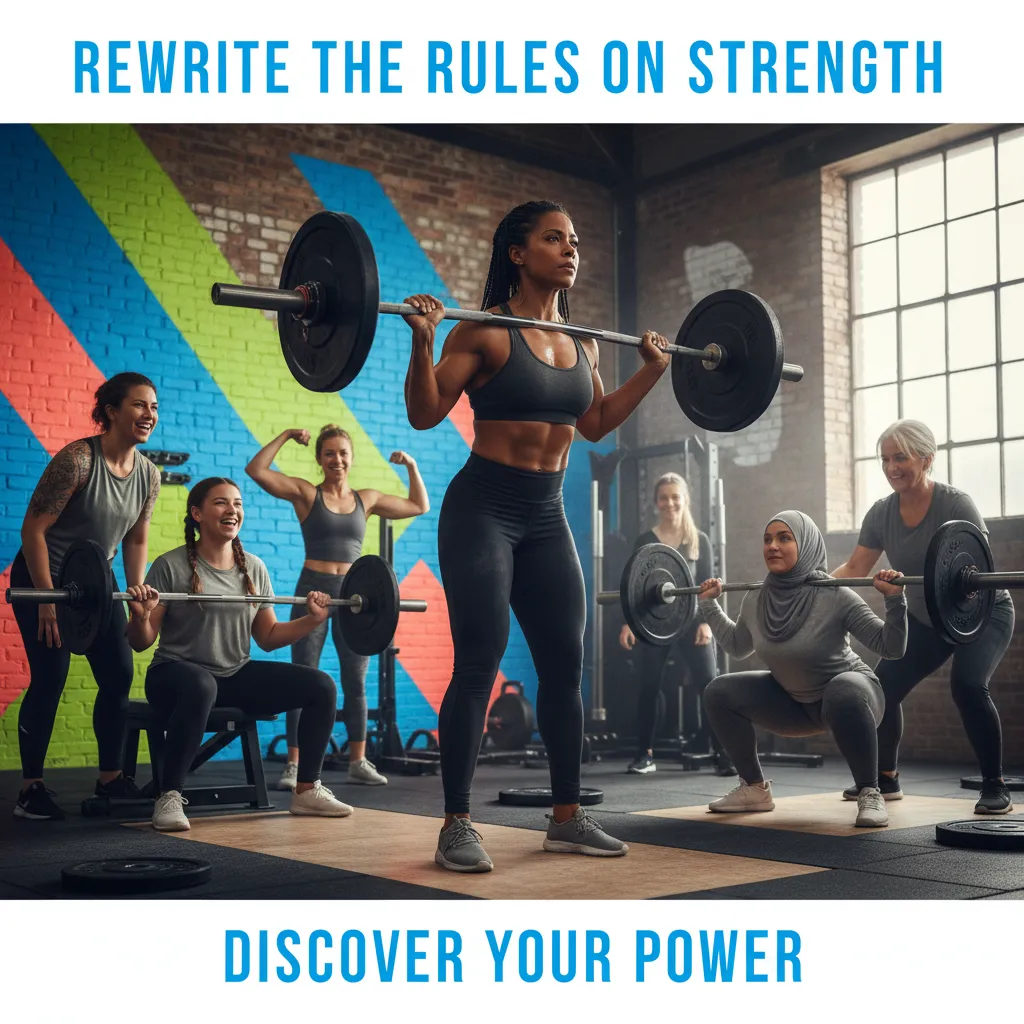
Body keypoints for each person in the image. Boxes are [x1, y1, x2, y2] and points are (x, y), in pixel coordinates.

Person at [403, 198, 673, 872]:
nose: (571, 248)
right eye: (555, 238)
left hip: (546, 516)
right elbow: (425, 412)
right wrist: (423, 340)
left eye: (574, 239)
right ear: (518, 254)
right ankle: (456, 824)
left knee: (564, 668)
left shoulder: (583, 343)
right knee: (480, 660)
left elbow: (595, 422)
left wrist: (652, 370)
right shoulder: (486, 333)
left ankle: (566, 817)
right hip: (483, 510)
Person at [125, 477, 352, 832]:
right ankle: (169, 795)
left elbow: (269, 636)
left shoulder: (253, 568)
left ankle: (307, 789)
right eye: (221, 502)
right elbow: (142, 642)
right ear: (197, 514)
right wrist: (140, 617)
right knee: (201, 685)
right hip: (174, 674)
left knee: (321, 686)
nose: (232, 510)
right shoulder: (170, 565)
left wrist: (313, 619)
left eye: (237, 504)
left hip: (232, 675)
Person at [832, 419, 1015, 814]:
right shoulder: (881, 513)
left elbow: (979, 566)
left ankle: (995, 785)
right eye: (885, 459)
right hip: (928, 618)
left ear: (927, 459)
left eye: (900, 457)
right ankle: (886, 778)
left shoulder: (956, 504)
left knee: (967, 686)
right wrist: (812, 582)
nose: (891, 467)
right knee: (880, 689)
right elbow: (855, 568)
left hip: (981, 611)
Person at [11, 372, 161, 821]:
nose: (149, 415)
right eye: (139, 405)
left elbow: (136, 537)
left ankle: (110, 778)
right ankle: (30, 790)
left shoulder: (149, 475)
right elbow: (33, 530)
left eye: (154, 407)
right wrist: (46, 599)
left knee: (118, 674)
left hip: (98, 583)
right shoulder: (77, 461)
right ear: (111, 411)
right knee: (51, 676)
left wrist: (135, 593)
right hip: (45, 576)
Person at [697, 511, 908, 828]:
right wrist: (708, 605)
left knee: (842, 689)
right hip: (795, 704)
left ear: (806, 544)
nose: (772, 546)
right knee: (718, 692)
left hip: (855, 698)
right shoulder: (756, 598)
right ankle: (754, 789)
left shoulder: (836, 594)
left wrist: (894, 601)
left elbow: (891, 648)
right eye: (768, 539)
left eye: (784, 538)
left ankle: (870, 791)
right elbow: (737, 646)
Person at [246, 426, 429, 790]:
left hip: (354, 594)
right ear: (319, 459)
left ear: (352, 457)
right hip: (312, 590)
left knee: (355, 681)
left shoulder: (367, 499)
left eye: (343, 453)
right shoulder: (306, 494)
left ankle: (358, 761)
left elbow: (418, 505)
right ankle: (294, 765)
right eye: (329, 453)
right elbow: (257, 470)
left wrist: (411, 465)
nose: (337, 460)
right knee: (303, 676)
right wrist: (285, 435)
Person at [619, 472, 734, 776]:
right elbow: (634, 588)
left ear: (685, 500)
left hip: (693, 621)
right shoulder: (645, 541)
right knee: (648, 686)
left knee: (709, 684)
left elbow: (708, 586)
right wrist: (630, 623)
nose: (669, 503)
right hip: (653, 623)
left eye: (675, 497)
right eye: (663, 498)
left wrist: (707, 623)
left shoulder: (699, 541)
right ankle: (644, 755)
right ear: (656, 502)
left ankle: (723, 752)